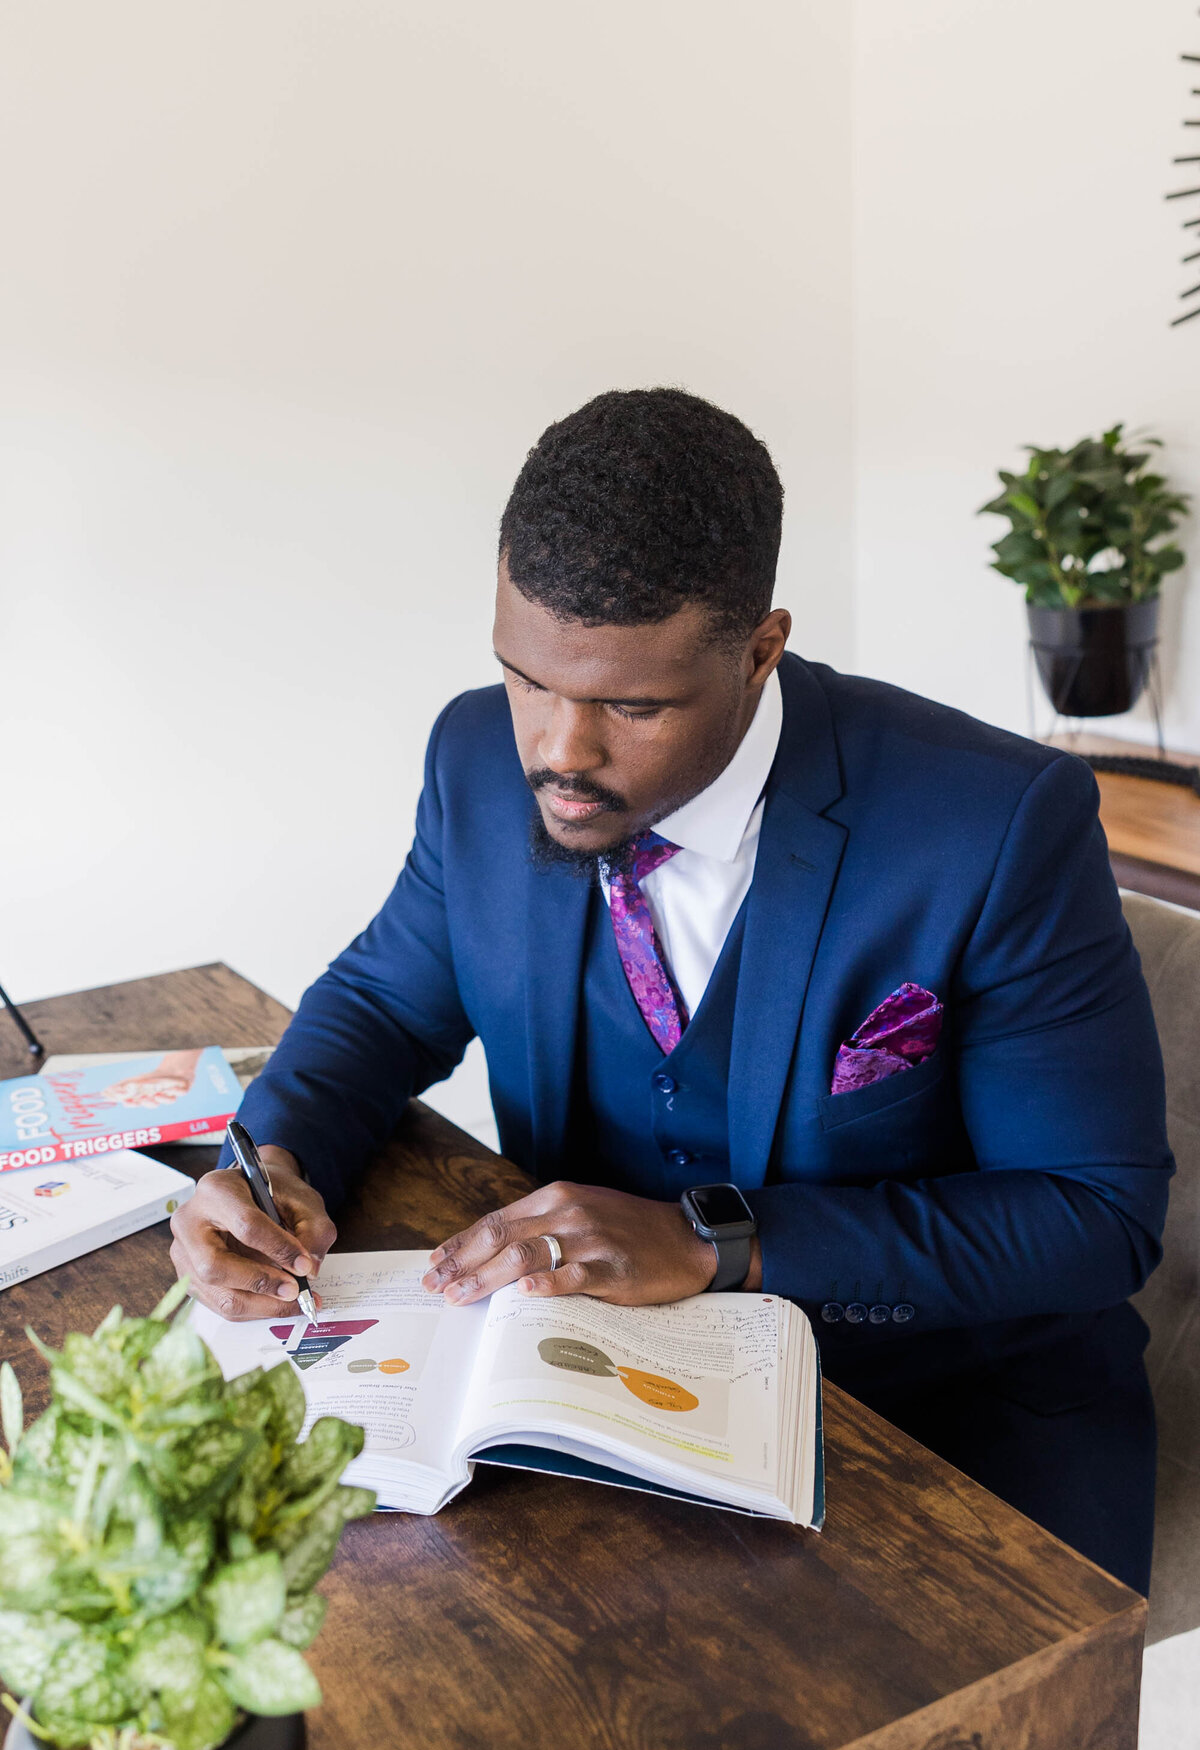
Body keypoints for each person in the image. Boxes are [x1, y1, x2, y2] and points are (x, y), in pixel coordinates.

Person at [171, 388, 1172, 1593]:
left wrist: (719, 1247)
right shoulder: (476, 758)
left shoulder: (994, 826)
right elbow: (384, 1006)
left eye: (631, 707)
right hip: (592, 1390)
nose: (559, 750)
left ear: (760, 650)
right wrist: (271, 1162)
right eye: (527, 680)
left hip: (938, 1419)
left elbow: (1091, 1218)